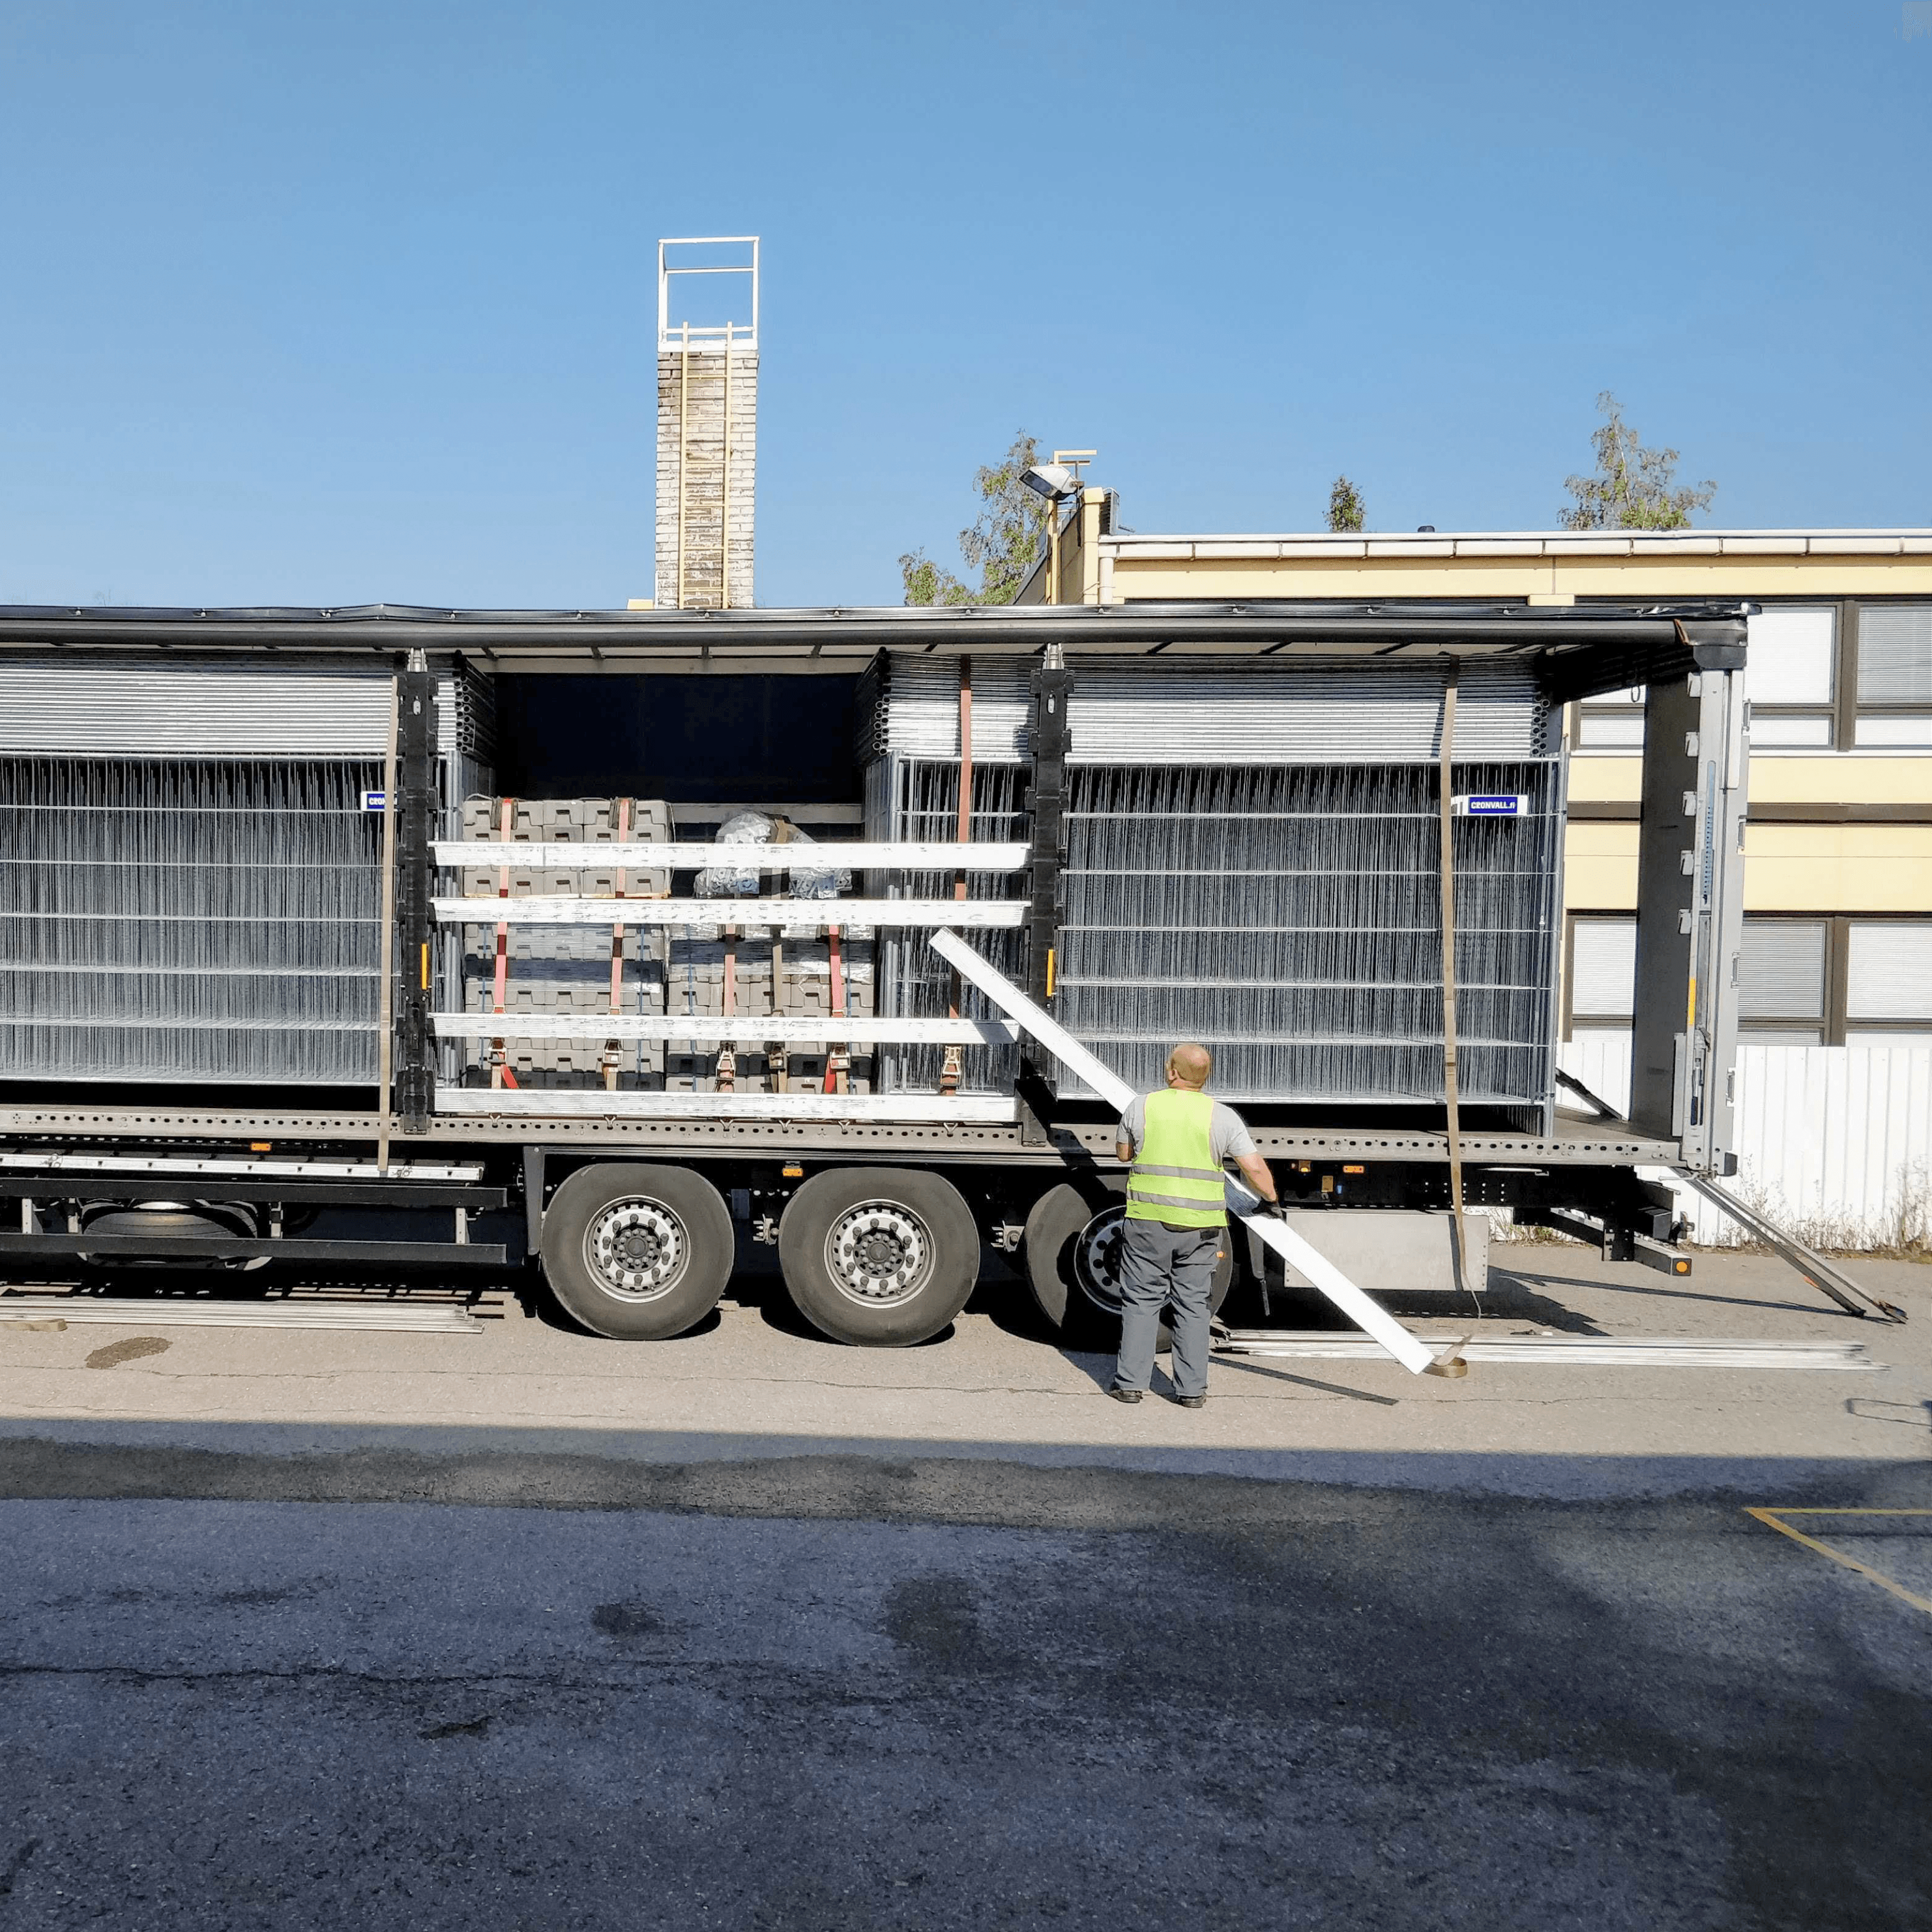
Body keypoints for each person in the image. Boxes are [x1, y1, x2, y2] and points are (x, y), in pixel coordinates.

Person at [1108, 1041, 1281, 1408]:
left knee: (1141, 1302)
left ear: (1173, 1072)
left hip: (1148, 1224)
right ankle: (1191, 1392)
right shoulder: (1224, 1117)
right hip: (1201, 1231)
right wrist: (1271, 1201)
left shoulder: (1142, 1106)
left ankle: (1130, 1386)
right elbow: (1252, 1167)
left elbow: (1123, 1154)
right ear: (1205, 1077)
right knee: (1193, 1306)